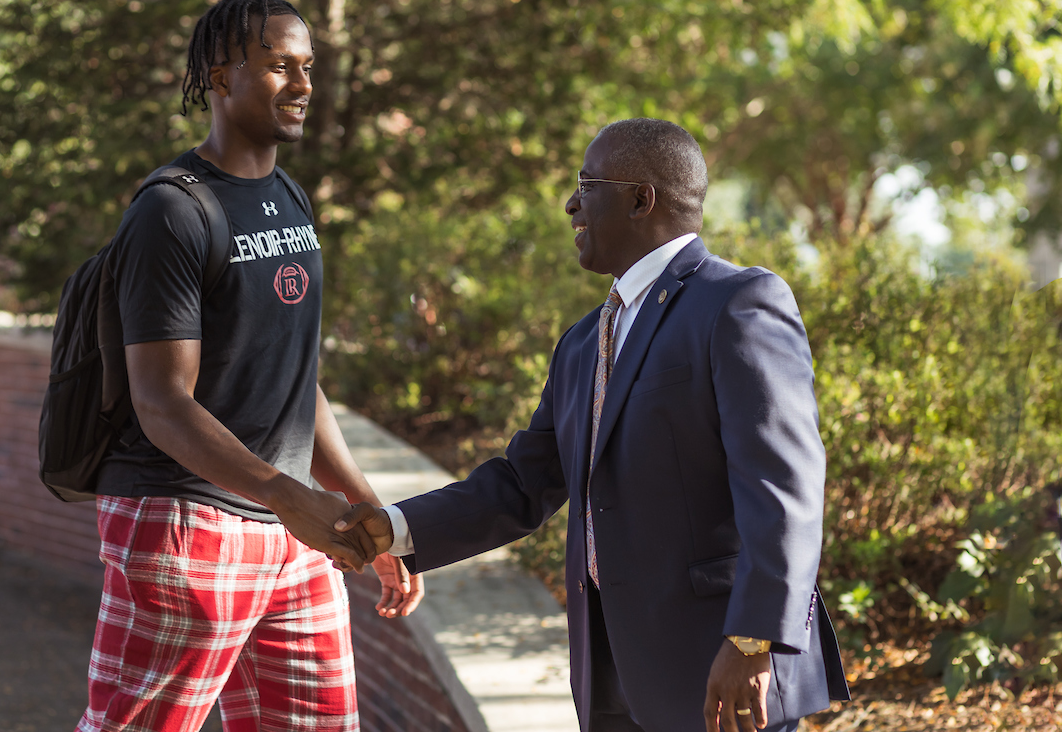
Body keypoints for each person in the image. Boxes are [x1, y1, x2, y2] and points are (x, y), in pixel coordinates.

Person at [337, 119, 849, 732]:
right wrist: (389, 530)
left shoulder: (738, 304)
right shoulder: (581, 344)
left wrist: (754, 641)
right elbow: (522, 485)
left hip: (716, 668)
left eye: (587, 184)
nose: (571, 203)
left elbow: (783, 487)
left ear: (640, 198)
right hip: (607, 674)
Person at [75, 0, 421, 732]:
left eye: (306, 67)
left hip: (291, 539)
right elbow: (162, 402)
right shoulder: (172, 210)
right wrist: (289, 497)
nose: (300, 84)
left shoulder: (288, 197)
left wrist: (369, 510)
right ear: (220, 74)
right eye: (277, 66)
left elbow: (294, 379)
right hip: (185, 523)